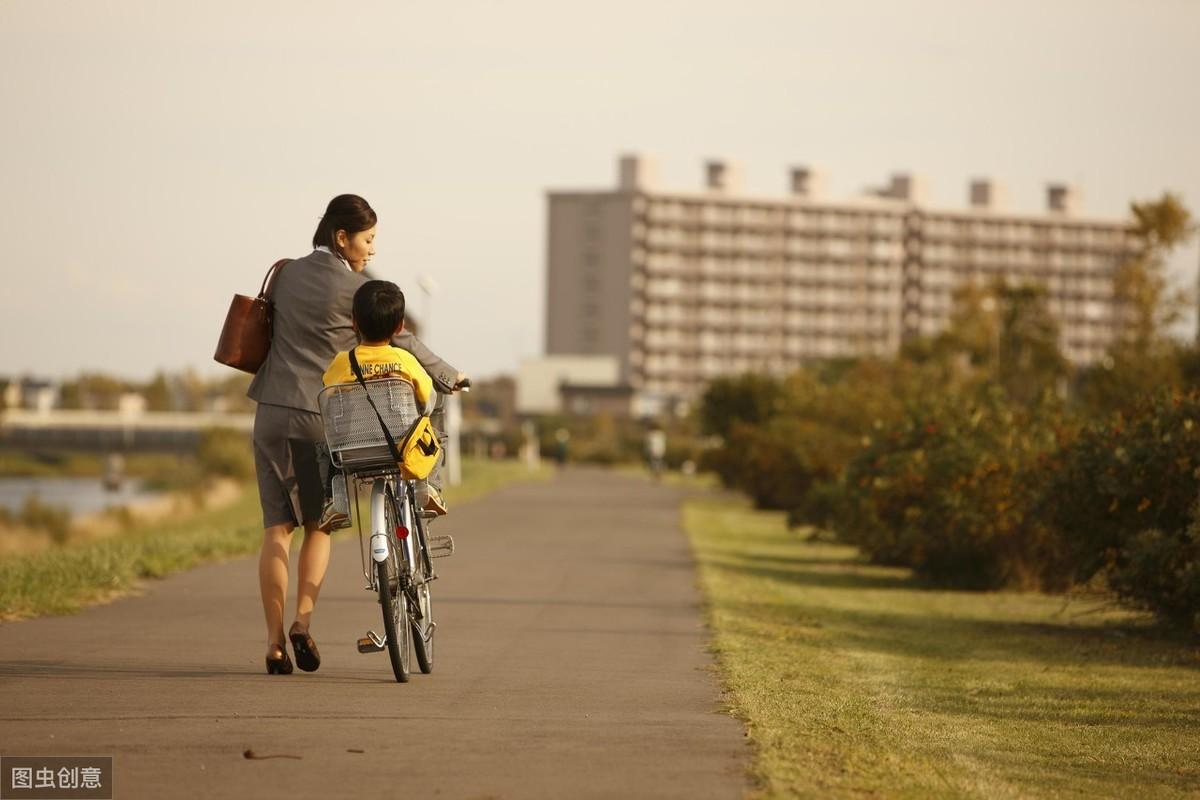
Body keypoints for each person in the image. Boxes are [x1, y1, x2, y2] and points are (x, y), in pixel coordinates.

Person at [247, 194, 465, 676]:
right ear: (341, 237)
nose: (371, 251)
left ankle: (273, 643)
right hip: (312, 416)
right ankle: (302, 623)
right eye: (367, 240)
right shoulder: (353, 286)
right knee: (318, 525)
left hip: (268, 412)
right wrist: (448, 374)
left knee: (274, 529)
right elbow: (398, 337)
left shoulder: (284, 274)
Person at [319, 280, 437, 522]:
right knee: (432, 434)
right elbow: (428, 400)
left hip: (351, 449)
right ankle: (428, 487)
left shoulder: (342, 361)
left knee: (322, 447)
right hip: (401, 447)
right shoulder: (404, 359)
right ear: (399, 326)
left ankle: (334, 500)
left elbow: (327, 393)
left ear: (354, 322)